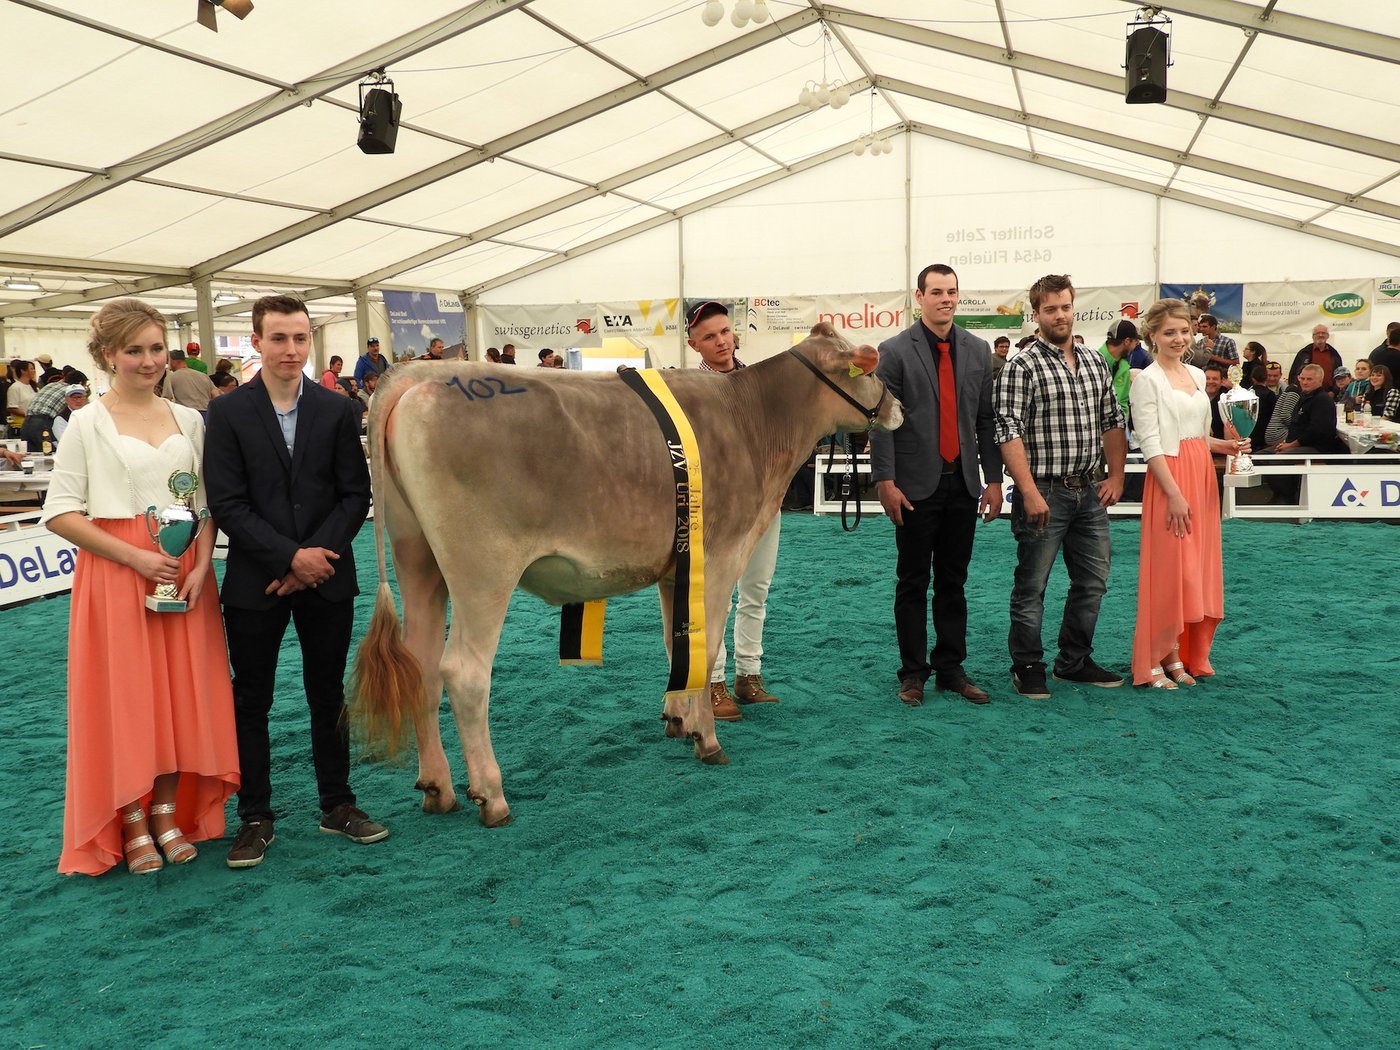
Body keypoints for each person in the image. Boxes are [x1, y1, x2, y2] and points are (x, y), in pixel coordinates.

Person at [41, 298, 239, 875]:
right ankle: (130, 818)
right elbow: (60, 513)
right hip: (116, 576)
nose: (149, 361)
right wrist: (134, 558)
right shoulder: (86, 421)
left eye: (156, 349)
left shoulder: (192, 420)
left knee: (181, 694)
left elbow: (204, 505)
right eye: (135, 350)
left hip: (184, 574)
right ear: (108, 356)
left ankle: (169, 812)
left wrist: (202, 566)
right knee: (125, 696)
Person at [204, 295, 384, 870]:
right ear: (255, 342)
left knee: (327, 693)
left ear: (311, 342)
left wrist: (315, 559)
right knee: (251, 698)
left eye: (300, 338)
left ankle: (338, 803)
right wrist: (289, 560)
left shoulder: (335, 409)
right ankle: (255, 816)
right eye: (278, 338)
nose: (290, 350)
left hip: (327, 576)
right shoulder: (228, 413)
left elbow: (356, 494)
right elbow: (228, 503)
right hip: (259, 579)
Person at [870, 264, 1003, 706]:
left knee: (953, 582)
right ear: (919, 297)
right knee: (911, 582)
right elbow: (881, 423)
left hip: (963, 485)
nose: (946, 299)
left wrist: (994, 480)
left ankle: (950, 669)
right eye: (937, 292)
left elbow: (985, 421)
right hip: (912, 488)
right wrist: (885, 481)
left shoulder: (979, 350)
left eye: (952, 291)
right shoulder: (893, 351)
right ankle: (912, 674)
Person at [994, 274, 1127, 699]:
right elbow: (1006, 428)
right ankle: (1028, 665)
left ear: (1074, 308)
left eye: (1065, 306)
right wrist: (1027, 490)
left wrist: (1118, 475)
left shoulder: (1093, 361)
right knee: (1032, 586)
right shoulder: (1022, 365)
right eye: (1050, 309)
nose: (1059, 315)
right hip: (1044, 491)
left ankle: (1074, 661)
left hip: (1090, 490)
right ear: (1036, 315)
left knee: (1093, 582)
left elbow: (1113, 420)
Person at [1129, 300, 1245, 690]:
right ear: (1153, 336)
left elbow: (1196, 434)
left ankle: (1178, 653)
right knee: (1170, 570)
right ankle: (1155, 657)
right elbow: (1150, 442)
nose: (1178, 339)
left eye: (1183, 331)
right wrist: (1173, 494)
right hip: (1170, 480)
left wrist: (1223, 447)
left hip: (1200, 476)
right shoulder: (1146, 379)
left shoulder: (1197, 374)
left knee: (1195, 569)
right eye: (1169, 333)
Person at [686, 301, 783, 720]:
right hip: (713, 506)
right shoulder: (688, 390)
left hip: (763, 500)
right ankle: (715, 682)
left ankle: (750, 674)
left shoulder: (761, 384)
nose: (721, 341)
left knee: (757, 589)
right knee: (714, 595)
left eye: (724, 331)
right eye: (709, 336)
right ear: (694, 344)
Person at [1274, 364, 1347, 454]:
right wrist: (1286, 443)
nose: (1304, 382)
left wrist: (1290, 445)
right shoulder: (1303, 397)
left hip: (1314, 448)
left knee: (1274, 460)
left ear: (1320, 380)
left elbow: (1315, 432)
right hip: (1294, 444)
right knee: (1259, 456)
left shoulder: (1322, 400)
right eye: (1302, 378)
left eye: (1309, 379)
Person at [22, 371, 88, 449]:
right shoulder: (68, 391)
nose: (77, 399)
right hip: (43, 423)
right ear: (80, 383)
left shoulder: (51, 385)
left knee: (31, 453)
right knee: (48, 451)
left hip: (26, 422)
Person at [1098, 319, 1138, 418]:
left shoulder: (1124, 366)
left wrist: (1122, 427)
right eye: (1135, 341)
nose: (1136, 345)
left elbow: (1123, 402)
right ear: (1127, 341)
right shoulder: (1094, 362)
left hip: (1118, 429)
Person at [162, 347, 216, 416]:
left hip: (187, 415)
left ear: (174, 361)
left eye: (168, 362)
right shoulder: (203, 376)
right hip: (206, 415)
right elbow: (215, 394)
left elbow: (166, 399)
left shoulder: (171, 377)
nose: (168, 365)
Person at [1288, 325, 1343, 392]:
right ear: (1312, 336)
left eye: (1323, 333)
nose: (1320, 335)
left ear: (1328, 336)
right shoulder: (1303, 353)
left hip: (1328, 394)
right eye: (1317, 333)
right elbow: (1293, 374)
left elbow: (1339, 375)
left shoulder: (1334, 354)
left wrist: (1334, 392)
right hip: (1306, 393)